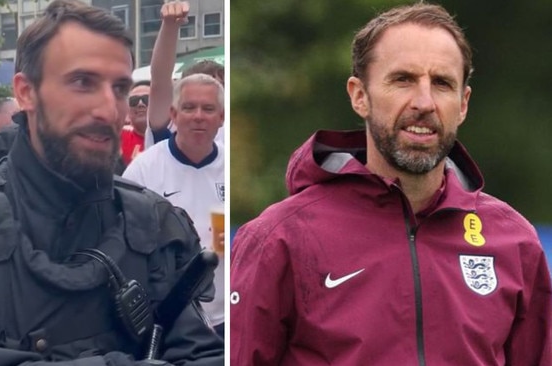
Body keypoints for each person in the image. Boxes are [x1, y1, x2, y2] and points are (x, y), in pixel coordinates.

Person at [0, 1, 223, 365]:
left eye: (120, 88)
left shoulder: (154, 223)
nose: (108, 108)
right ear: (25, 92)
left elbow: (203, 353)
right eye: (82, 82)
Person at [230, 3, 552, 366]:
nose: (424, 102)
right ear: (359, 95)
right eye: (403, 80)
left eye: (442, 84)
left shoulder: (515, 244)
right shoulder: (279, 239)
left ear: (463, 104)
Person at [123, 74, 225, 337]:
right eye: (189, 108)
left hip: (228, 317)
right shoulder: (143, 172)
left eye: (208, 108)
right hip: (170, 321)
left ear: (222, 117)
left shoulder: (234, 166)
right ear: (173, 114)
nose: (198, 116)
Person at [145, 1, 224, 149]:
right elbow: (160, 80)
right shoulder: (170, 126)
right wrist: (170, 26)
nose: (198, 115)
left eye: (220, 87)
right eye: (190, 104)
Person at [121, 81, 150, 165]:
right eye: (134, 101)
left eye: (146, 99)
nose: (140, 104)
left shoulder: (174, 137)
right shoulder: (116, 138)